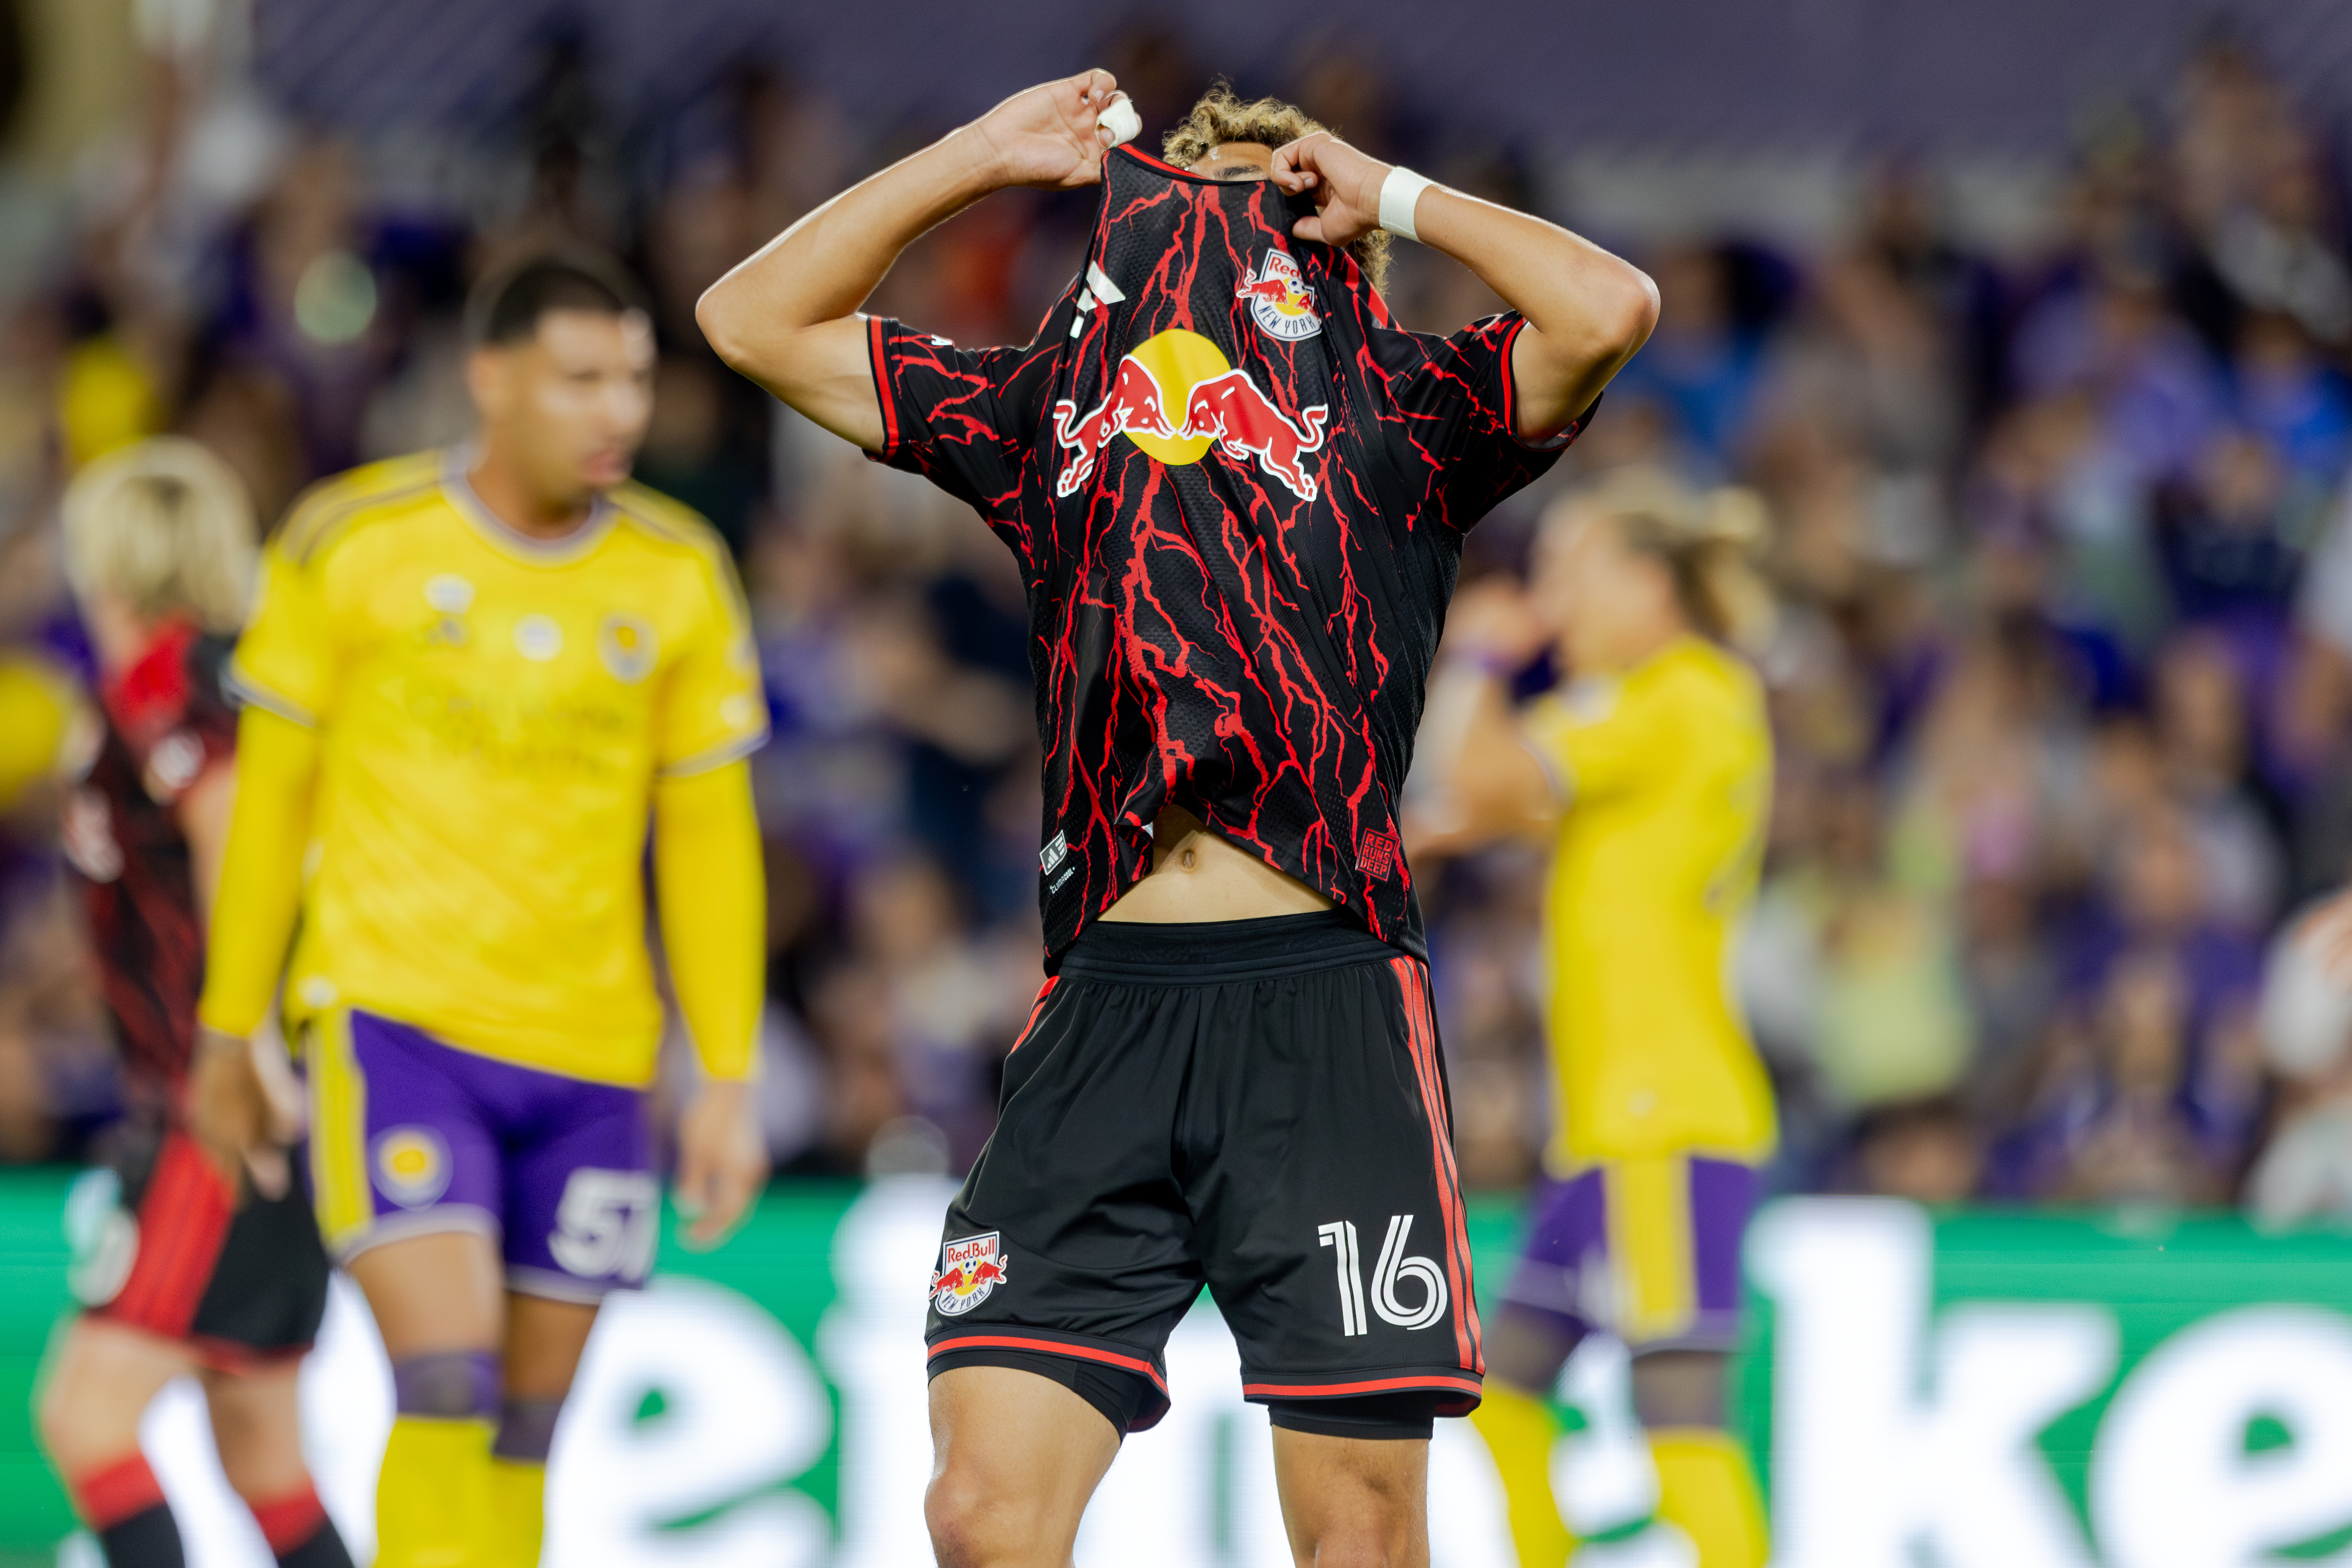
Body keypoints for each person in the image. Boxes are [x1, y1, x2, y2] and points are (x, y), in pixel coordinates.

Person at [700, 72, 1656, 1565]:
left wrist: (1389, 190)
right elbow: (748, 322)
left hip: (1325, 999)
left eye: (1259, 190)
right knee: (978, 1514)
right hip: (1105, 1004)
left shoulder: (1409, 404)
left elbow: (1606, 307)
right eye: (1178, 188)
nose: (1204, 223)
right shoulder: (1045, 407)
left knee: (1356, 1531)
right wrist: (975, 161)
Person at [191, 255, 773, 1568]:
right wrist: (231, 1031)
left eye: (632, 375)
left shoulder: (678, 574)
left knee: (526, 1416)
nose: (615, 407)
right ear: (490, 381)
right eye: (580, 378)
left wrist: (725, 1074)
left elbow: (707, 842)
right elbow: (270, 808)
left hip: (592, 1056)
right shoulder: (353, 540)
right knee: (444, 1375)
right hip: (396, 1019)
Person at [1408, 471, 1777, 1567]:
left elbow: (1475, 779)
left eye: (1572, 572)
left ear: (1648, 582)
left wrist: (1480, 652)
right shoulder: (1653, 713)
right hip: (1604, 1137)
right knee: (1506, 1395)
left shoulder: (1677, 692)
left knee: (1681, 1422)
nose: (1551, 602)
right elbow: (1463, 798)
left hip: (1662, 1124)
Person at [36, 438, 352, 1568]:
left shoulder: (171, 681)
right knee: (265, 1461)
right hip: (248, 1090)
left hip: (214, 1106)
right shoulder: (209, 673)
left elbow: (231, 835)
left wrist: (242, 1047)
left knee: (83, 1416)